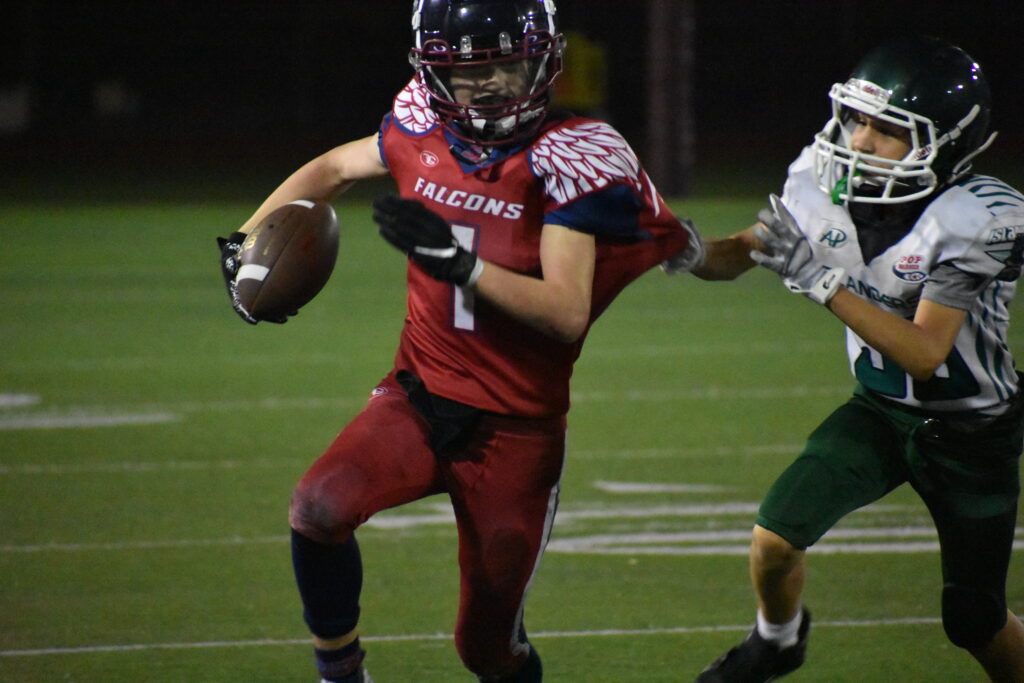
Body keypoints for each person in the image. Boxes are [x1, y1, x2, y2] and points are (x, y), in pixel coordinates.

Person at [216, 1, 703, 681]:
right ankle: (341, 673)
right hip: (419, 397)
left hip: (516, 434)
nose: (500, 82)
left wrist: (462, 265)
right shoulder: (419, 123)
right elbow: (332, 169)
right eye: (475, 71)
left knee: (486, 650)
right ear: (434, 72)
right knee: (318, 507)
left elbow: (566, 311)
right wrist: (246, 244)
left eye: (513, 61)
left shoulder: (567, 155)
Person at [690, 36, 1024, 682]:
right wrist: (681, 248)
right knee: (776, 536)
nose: (862, 140)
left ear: (947, 145)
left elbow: (925, 351)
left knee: (973, 617)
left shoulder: (975, 219)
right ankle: (778, 638)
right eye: (858, 118)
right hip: (879, 413)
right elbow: (747, 247)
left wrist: (821, 282)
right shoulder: (822, 181)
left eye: (888, 128)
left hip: (972, 434)